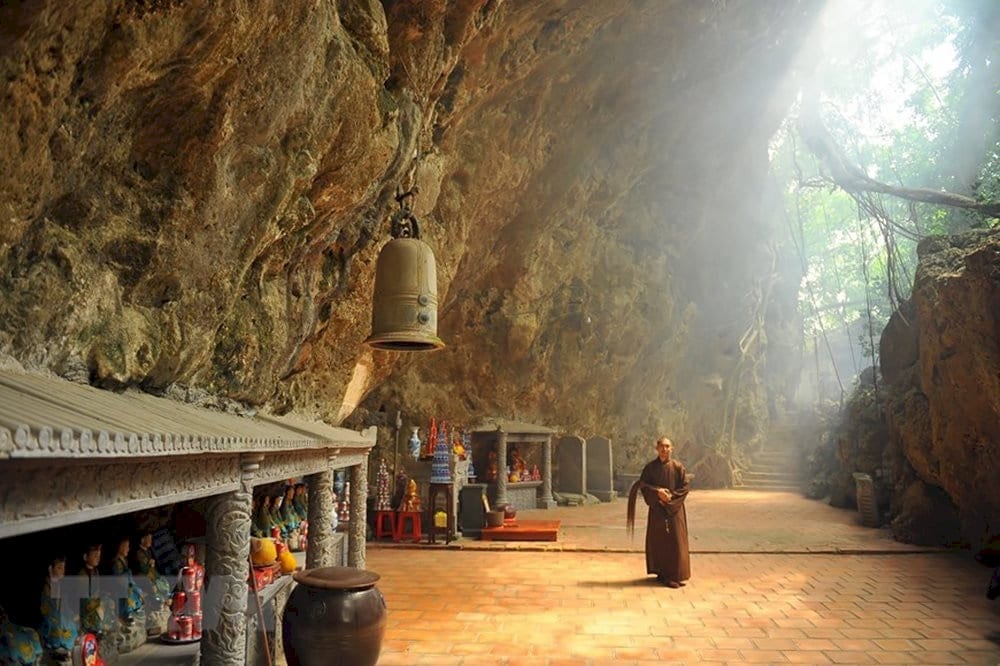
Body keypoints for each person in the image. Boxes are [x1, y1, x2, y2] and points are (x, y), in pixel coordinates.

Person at [627, 436, 691, 588]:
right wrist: (657, 493)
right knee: (660, 542)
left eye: (667, 446)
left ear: (672, 449)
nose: (664, 449)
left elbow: (685, 487)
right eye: (662, 446)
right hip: (657, 510)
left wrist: (670, 498)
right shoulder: (650, 468)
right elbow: (643, 485)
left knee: (676, 541)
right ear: (657, 449)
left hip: (675, 510)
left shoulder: (678, 467)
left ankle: (676, 575)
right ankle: (664, 575)